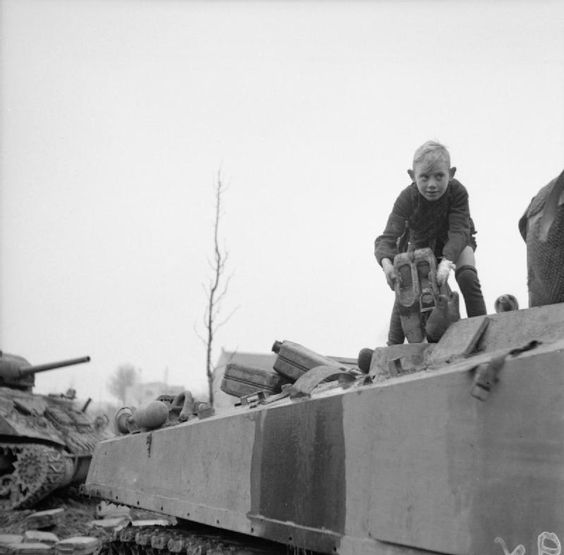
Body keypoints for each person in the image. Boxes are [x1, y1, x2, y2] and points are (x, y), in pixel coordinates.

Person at [374, 140, 487, 345]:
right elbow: (387, 237)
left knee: (468, 277)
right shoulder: (407, 198)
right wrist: (387, 264)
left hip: (455, 242)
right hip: (421, 246)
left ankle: (482, 331)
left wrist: (447, 262)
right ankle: (393, 347)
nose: (432, 184)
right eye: (424, 177)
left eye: (439, 176)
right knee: (405, 287)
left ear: (451, 173)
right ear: (412, 176)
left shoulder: (458, 192)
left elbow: (459, 230)